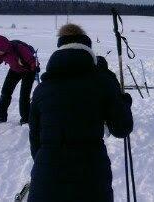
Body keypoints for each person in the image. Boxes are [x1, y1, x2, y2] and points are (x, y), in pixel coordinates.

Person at [28, 24, 133, 202]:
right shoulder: (103, 81)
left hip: (46, 179)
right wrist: (124, 101)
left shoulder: (41, 90)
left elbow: (35, 143)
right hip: (91, 180)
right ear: (88, 49)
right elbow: (122, 128)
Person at [0, 35, 38, 125]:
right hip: (15, 70)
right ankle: (1, 117)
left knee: (24, 95)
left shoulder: (19, 48)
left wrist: (35, 67)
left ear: (4, 47)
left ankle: (26, 119)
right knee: (5, 92)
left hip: (28, 71)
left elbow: (32, 60)